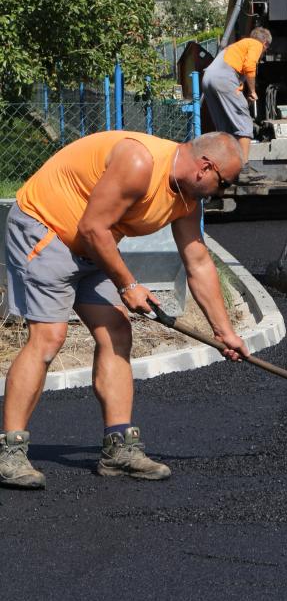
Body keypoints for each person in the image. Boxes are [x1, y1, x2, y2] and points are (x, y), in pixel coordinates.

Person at [0, 130, 248, 490]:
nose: (221, 192)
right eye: (222, 183)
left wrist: (223, 331)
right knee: (50, 337)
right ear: (204, 167)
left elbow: (198, 261)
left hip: (92, 247)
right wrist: (128, 285)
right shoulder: (139, 162)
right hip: (47, 230)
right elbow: (92, 226)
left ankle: (119, 449)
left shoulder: (186, 199)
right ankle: (10, 451)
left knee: (117, 330)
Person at [201, 28, 272, 178]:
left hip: (208, 79)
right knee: (244, 123)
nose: (263, 52)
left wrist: (242, 91)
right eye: (266, 49)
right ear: (265, 43)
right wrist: (252, 91)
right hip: (223, 79)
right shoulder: (255, 44)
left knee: (224, 127)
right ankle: (243, 169)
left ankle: (225, 168)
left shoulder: (237, 46)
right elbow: (250, 66)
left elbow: (236, 70)